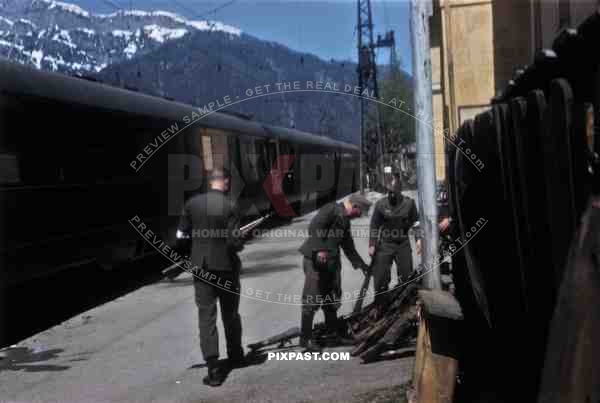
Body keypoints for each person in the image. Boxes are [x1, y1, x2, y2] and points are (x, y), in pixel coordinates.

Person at [177, 167, 245, 387]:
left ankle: (214, 368)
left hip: (201, 267)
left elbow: (181, 235)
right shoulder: (230, 205)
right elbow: (234, 243)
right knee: (230, 313)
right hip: (226, 267)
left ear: (210, 182)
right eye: (228, 182)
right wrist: (241, 240)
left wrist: (193, 252)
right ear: (224, 181)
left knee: (206, 316)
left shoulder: (192, 204)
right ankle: (236, 355)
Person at [298, 193, 372, 352]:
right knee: (311, 300)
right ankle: (306, 339)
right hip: (314, 261)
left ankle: (332, 335)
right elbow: (314, 227)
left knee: (332, 299)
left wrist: (361, 265)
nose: (359, 217)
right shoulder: (331, 209)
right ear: (354, 207)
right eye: (360, 213)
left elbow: (348, 246)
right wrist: (320, 249)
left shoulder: (345, 221)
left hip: (331, 263)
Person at [369, 173, 418, 305]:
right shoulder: (381, 205)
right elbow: (374, 225)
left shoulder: (409, 203)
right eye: (389, 192)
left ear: (399, 191)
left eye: (394, 192)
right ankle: (379, 305)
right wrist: (372, 244)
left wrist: (419, 240)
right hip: (385, 244)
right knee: (380, 277)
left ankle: (406, 304)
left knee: (407, 276)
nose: (391, 195)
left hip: (403, 244)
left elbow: (416, 223)